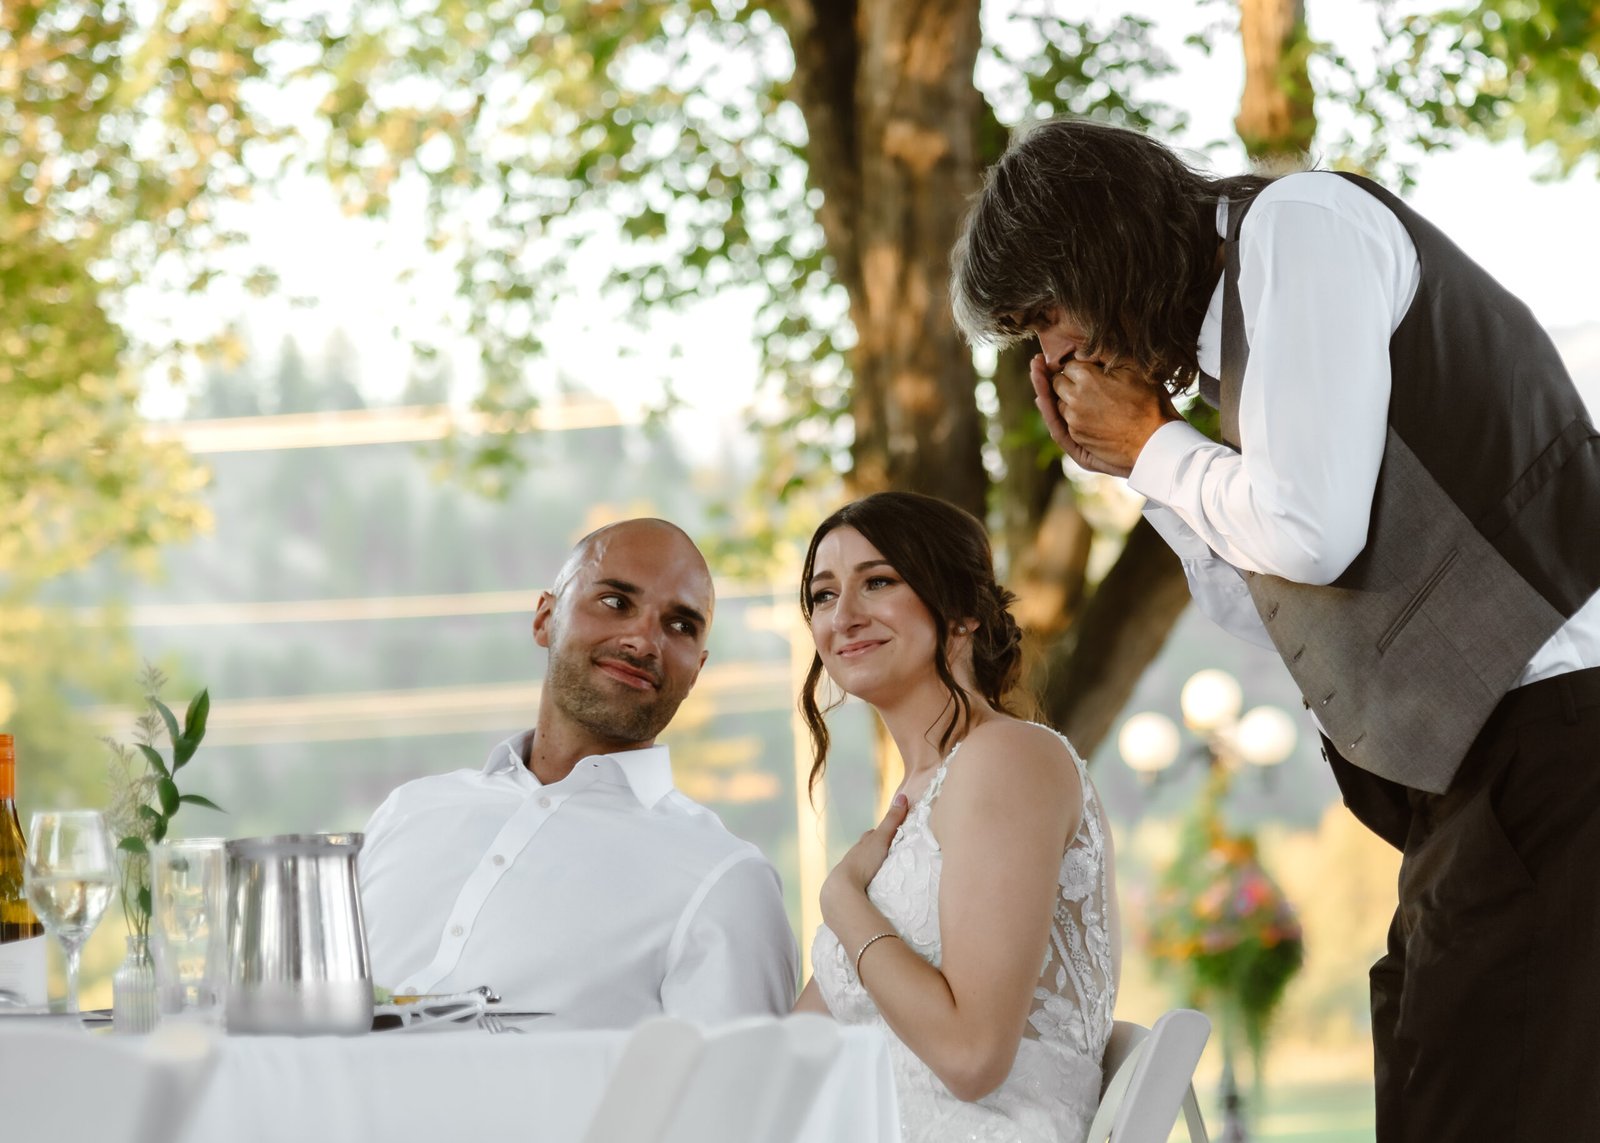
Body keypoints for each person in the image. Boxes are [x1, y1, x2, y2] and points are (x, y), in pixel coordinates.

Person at [950, 116, 1600, 1141]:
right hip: (1486, 763)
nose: (1056, 357)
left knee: (1466, 1090)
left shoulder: (1298, 230)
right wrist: (1143, 467)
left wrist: (1156, 446)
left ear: (1100, 252)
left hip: (1552, 724)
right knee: (1443, 1071)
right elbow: (1265, 611)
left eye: (1048, 319)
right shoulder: (1236, 357)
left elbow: (1311, 532)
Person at [358, 517, 798, 1027]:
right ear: (545, 618)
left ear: (697, 671)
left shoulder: (726, 881)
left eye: (680, 625)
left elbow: (738, 1078)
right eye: (615, 601)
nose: (643, 641)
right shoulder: (408, 812)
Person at [793, 490, 1120, 1143]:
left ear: (964, 612)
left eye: (877, 581)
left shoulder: (1007, 758)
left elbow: (972, 1057)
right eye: (823, 595)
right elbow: (789, 1056)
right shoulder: (916, 800)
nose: (843, 616)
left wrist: (843, 901)